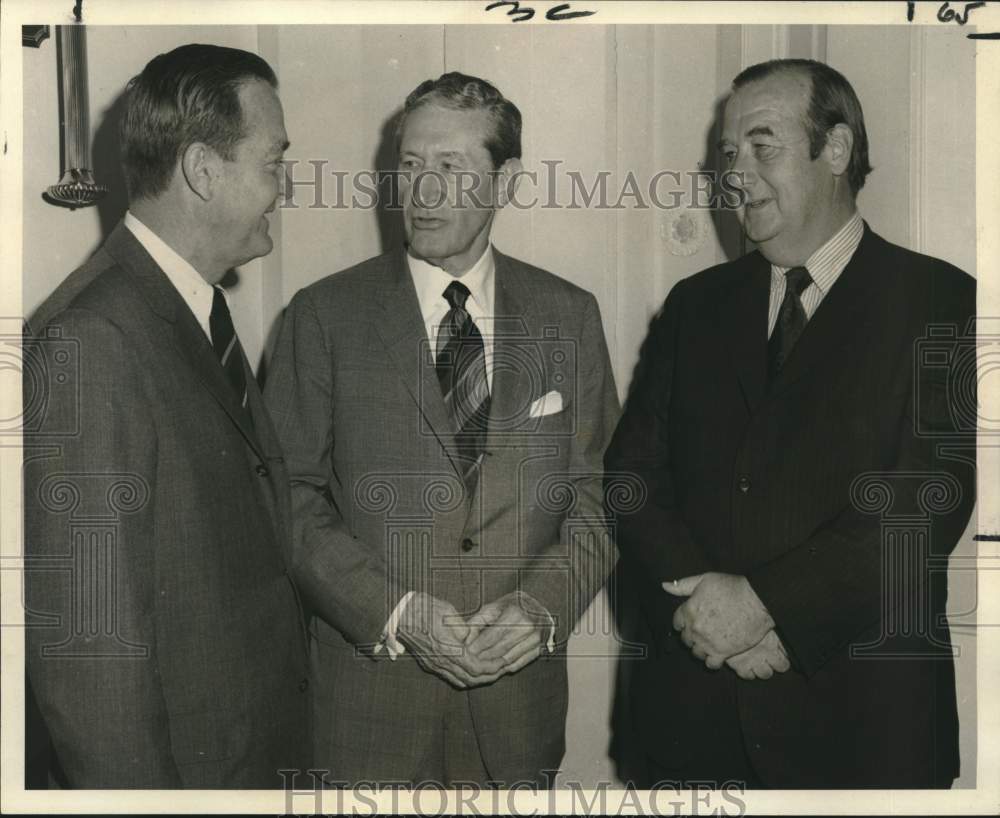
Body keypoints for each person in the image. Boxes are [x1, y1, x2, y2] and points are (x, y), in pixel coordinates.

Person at [605, 58, 976, 789]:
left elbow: (926, 502)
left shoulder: (942, 301)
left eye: (761, 146)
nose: (735, 173)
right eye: (727, 154)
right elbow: (631, 478)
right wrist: (711, 615)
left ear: (835, 150)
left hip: (863, 735)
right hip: (692, 727)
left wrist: (766, 607)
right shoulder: (694, 305)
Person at [265, 72, 619, 786]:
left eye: (451, 168)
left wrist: (542, 609)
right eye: (411, 164)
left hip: (514, 723)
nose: (422, 192)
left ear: (506, 179)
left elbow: (602, 495)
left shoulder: (568, 317)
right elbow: (286, 500)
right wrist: (394, 611)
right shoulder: (323, 315)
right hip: (366, 716)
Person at [23, 43, 310, 788]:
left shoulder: (190, 310)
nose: (284, 187)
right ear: (203, 171)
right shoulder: (90, 339)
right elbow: (93, 664)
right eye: (273, 162)